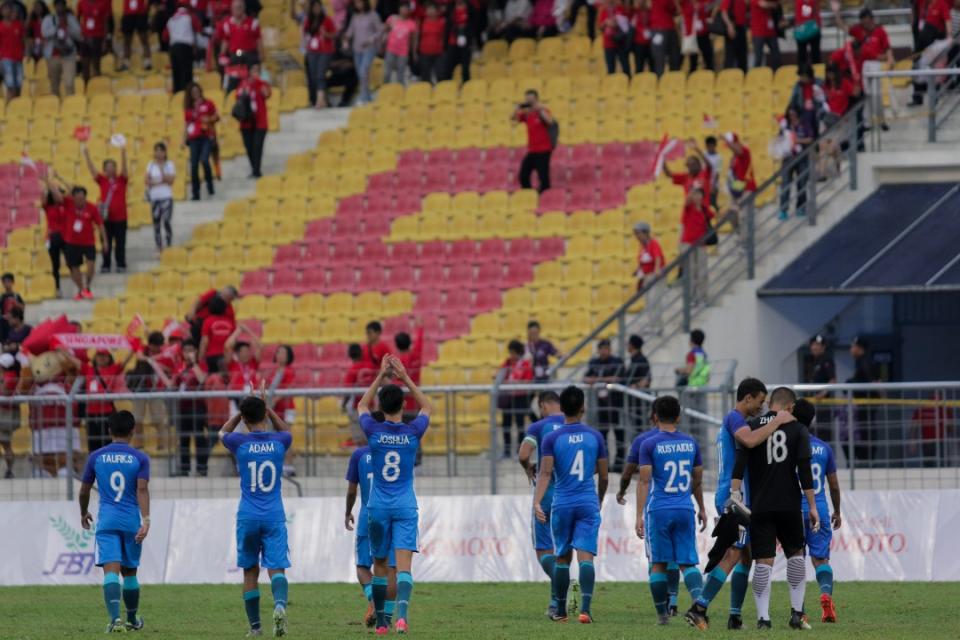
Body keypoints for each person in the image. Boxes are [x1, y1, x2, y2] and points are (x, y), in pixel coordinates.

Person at [683, 377, 796, 630]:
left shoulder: (740, 421)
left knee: (746, 556)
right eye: (760, 401)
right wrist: (777, 420)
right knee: (733, 553)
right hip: (734, 497)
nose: (762, 406)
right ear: (747, 398)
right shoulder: (734, 418)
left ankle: (734, 617)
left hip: (740, 496)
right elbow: (751, 441)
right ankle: (698, 607)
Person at [729, 387, 818, 631]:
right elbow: (805, 472)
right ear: (790, 407)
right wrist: (812, 506)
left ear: (770, 403)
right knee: (796, 556)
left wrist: (734, 497)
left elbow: (738, 467)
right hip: (789, 503)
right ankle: (797, 615)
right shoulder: (798, 429)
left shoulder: (752, 426)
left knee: (763, 562)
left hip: (761, 505)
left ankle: (763, 619)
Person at [356, 354, 433, 635]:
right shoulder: (413, 432)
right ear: (403, 405)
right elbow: (427, 406)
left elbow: (362, 404)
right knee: (403, 567)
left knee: (378, 565)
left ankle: (382, 623)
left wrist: (380, 375)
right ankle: (401, 617)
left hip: (377, 507)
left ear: (381, 406)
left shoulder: (373, 431)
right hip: (404, 506)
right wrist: (404, 377)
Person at [220, 393, 293, 637]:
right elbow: (287, 431)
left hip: (248, 515)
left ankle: (255, 628)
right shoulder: (279, 441)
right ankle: (280, 606)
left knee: (250, 571)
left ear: (244, 419)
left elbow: (222, 432)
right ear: (263, 415)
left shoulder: (239, 442)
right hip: (273, 514)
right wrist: (269, 410)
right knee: (277, 568)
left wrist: (241, 413)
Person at [533, 385, 608, 624]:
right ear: (583, 407)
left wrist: (537, 502)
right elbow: (604, 476)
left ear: (562, 408)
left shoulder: (552, 437)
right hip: (587, 500)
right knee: (586, 557)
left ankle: (562, 611)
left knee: (563, 558)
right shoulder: (595, 436)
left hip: (562, 502)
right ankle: (585, 610)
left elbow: (545, 473)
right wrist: (599, 500)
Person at [635, 395, 706, 625]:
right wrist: (702, 508)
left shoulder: (649, 444)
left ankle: (662, 616)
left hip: (659, 509)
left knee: (659, 564)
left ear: (656, 416)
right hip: (685, 508)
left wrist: (638, 515)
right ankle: (699, 609)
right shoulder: (691, 443)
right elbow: (697, 480)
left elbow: (644, 481)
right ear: (678, 416)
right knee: (688, 563)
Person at [78, 411, 150, 633]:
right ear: (133, 431)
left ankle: (115, 620)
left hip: (107, 521)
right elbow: (142, 489)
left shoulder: (96, 457)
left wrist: (83, 512)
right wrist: (146, 520)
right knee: (130, 573)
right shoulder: (140, 458)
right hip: (130, 522)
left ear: (109, 431)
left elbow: (84, 490)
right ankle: (132, 620)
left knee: (111, 572)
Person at [792, 398, 841, 623]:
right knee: (821, 560)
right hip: (819, 509)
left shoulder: (787, 445)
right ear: (811, 420)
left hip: (793, 509)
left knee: (796, 560)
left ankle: (799, 610)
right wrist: (837, 511)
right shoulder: (824, 448)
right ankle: (825, 596)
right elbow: (833, 484)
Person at [517, 390, 565, 617]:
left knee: (544, 550)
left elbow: (523, 454)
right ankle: (556, 603)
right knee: (564, 552)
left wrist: (528, 468)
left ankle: (564, 588)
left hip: (546, 495)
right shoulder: (574, 424)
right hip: (570, 496)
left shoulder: (539, 427)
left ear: (544, 405)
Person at [345, 438, 399, 628]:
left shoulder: (359, 454)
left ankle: (374, 602)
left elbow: (352, 490)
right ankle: (388, 617)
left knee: (362, 566)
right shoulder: (397, 453)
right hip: (392, 514)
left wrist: (347, 511)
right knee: (392, 567)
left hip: (368, 515)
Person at [833, 4, 894, 131]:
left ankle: (881, 120)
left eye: (866, 21)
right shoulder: (859, 30)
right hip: (863, 66)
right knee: (866, 94)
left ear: (871, 19)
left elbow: (888, 47)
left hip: (876, 64)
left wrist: (890, 60)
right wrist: (837, 12)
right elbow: (843, 27)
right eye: (862, 21)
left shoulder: (880, 31)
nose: (864, 24)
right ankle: (867, 123)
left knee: (877, 94)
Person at [50, 184, 104, 300]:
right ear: (73, 198)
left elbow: (100, 225)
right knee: (74, 267)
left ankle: (88, 285)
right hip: (72, 243)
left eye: (83, 198)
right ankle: (81, 290)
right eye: (78, 198)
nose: (81, 201)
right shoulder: (69, 203)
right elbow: (58, 196)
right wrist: (50, 183)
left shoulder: (92, 208)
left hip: (89, 242)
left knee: (91, 265)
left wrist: (105, 241)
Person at [82, 142, 128, 274]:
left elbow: (125, 169)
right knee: (105, 242)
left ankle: (121, 263)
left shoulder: (121, 180)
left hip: (121, 217)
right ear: (104, 169)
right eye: (107, 167)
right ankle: (106, 264)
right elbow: (92, 170)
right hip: (106, 217)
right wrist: (86, 155)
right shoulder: (102, 181)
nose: (110, 169)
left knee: (120, 242)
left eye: (112, 167)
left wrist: (123, 153)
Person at [583, 338, 624, 469]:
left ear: (610, 350)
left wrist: (597, 380)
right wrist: (604, 380)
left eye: (606, 349)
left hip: (616, 404)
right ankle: (604, 463)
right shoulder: (594, 362)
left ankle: (619, 463)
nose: (604, 351)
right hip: (600, 405)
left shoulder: (617, 362)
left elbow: (620, 378)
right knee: (602, 435)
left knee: (619, 434)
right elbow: (585, 378)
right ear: (598, 350)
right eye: (602, 349)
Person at [174, 339, 211, 476]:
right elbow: (174, 385)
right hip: (182, 407)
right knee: (184, 438)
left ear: (195, 351)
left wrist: (194, 363)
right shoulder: (179, 367)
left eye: (191, 350)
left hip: (198, 407)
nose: (188, 353)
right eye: (185, 350)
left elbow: (202, 380)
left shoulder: (201, 365)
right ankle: (184, 469)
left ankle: (202, 468)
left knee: (199, 437)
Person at [81, 349, 127, 452]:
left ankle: (108, 466)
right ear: (95, 357)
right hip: (91, 413)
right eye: (99, 355)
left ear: (109, 358)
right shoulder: (87, 369)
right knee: (93, 444)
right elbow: (73, 361)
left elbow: (126, 361)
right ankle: (95, 466)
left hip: (107, 412)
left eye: (104, 356)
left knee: (108, 443)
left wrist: (134, 348)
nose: (101, 358)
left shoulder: (113, 369)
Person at [217, 0, 264, 93]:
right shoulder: (227, 24)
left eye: (240, 7)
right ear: (232, 9)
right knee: (233, 83)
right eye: (235, 7)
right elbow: (225, 40)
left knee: (252, 84)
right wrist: (222, 54)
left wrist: (261, 56)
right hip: (235, 57)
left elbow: (258, 40)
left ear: (244, 8)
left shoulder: (253, 23)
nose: (237, 9)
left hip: (250, 56)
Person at [777, 107, 815, 220]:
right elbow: (779, 140)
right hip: (788, 158)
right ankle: (783, 210)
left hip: (802, 157)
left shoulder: (804, 124)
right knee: (785, 185)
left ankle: (801, 207)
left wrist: (797, 141)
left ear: (798, 114)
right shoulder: (785, 126)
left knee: (802, 183)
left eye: (793, 114)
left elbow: (810, 139)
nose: (792, 117)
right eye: (789, 115)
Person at [513, 89, 554, 193]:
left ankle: (545, 198)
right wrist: (517, 109)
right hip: (532, 150)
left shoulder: (543, 111)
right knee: (523, 175)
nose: (529, 103)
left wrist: (540, 110)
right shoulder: (527, 114)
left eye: (531, 100)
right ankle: (529, 195)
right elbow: (514, 119)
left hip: (543, 150)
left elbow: (549, 122)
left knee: (543, 177)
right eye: (527, 100)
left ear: (536, 100)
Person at [342, 0, 382, 104]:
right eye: (356, 3)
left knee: (363, 70)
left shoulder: (372, 15)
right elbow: (350, 31)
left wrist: (370, 39)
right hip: (357, 48)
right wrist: (346, 37)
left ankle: (363, 97)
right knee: (361, 74)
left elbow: (380, 30)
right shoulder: (355, 16)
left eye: (360, 2)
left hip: (369, 47)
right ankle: (368, 96)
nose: (358, 5)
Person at [498, 339, 533, 458]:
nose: (511, 355)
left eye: (513, 352)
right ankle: (507, 450)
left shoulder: (525, 364)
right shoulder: (507, 362)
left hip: (520, 397)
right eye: (510, 352)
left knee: (520, 424)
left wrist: (513, 383)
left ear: (519, 352)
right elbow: (500, 376)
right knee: (506, 424)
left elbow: (528, 380)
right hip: (508, 397)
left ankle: (520, 450)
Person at [184, 82, 219, 199]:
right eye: (193, 92)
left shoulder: (208, 103)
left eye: (197, 91)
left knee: (204, 159)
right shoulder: (189, 108)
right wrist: (184, 138)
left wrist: (208, 119)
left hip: (206, 136)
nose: (196, 94)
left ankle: (209, 183)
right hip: (194, 138)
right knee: (193, 165)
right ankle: (195, 192)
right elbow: (187, 124)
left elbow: (216, 116)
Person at [236, 62, 270, 178]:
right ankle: (254, 168)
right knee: (249, 146)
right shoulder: (243, 84)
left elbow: (267, 94)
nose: (256, 72)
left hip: (260, 121)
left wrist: (258, 82)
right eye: (253, 69)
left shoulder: (262, 84)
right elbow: (238, 97)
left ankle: (256, 171)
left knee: (257, 145)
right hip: (246, 122)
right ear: (249, 71)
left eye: (258, 70)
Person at [41, 0, 81, 96]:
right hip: (53, 55)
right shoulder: (49, 19)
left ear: (64, 6)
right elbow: (44, 33)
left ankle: (70, 105)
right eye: (58, 5)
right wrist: (56, 27)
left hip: (68, 55)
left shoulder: (71, 18)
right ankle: (56, 107)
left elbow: (79, 35)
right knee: (54, 85)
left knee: (69, 83)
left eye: (62, 5)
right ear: (55, 7)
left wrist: (68, 27)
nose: (60, 8)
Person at [679, 187, 712, 304]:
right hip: (689, 243)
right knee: (691, 271)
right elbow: (687, 201)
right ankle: (692, 297)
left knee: (702, 271)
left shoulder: (704, 209)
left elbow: (714, 216)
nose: (697, 196)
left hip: (701, 244)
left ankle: (703, 296)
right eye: (695, 194)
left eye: (699, 194)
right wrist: (691, 190)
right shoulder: (689, 208)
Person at [302, 0, 337, 107]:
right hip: (312, 51)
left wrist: (326, 35)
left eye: (318, 7)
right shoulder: (309, 21)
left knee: (320, 75)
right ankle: (324, 99)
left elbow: (334, 34)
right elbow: (305, 34)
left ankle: (319, 101)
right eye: (315, 7)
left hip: (325, 51)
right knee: (313, 76)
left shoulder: (327, 20)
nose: (317, 9)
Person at [145, 142, 176, 251]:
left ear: (164, 152)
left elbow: (170, 180)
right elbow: (147, 180)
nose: (158, 153)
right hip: (155, 198)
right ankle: (159, 245)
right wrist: (160, 181)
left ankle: (168, 242)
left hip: (166, 197)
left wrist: (162, 171)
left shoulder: (169, 164)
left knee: (166, 220)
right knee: (156, 222)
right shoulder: (150, 164)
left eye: (160, 151)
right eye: (156, 151)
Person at [633, 221, 665, 329]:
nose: (637, 236)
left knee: (654, 301)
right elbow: (642, 260)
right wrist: (637, 270)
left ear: (645, 233)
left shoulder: (653, 243)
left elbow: (657, 257)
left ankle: (658, 327)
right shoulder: (642, 246)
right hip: (646, 276)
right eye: (636, 233)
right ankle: (652, 326)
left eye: (638, 233)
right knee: (648, 302)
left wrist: (656, 269)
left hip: (654, 276)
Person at [41, 171, 68, 297]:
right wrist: (47, 185)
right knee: (55, 264)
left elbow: (69, 191)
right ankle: (57, 288)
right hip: (53, 237)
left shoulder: (65, 205)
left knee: (71, 261)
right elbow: (43, 197)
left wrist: (51, 181)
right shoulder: (48, 207)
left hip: (66, 237)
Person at [165, 0, 200, 93]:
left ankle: (177, 95)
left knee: (176, 74)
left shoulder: (171, 19)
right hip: (185, 48)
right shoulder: (190, 16)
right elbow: (198, 28)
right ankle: (187, 95)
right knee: (186, 75)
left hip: (173, 49)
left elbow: (165, 36)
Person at [805, 334, 836, 435]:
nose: (814, 347)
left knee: (823, 432)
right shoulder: (815, 361)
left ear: (823, 347)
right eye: (813, 344)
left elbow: (833, 380)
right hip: (815, 405)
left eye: (817, 344)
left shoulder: (827, 360)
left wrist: (823, 393)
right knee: (813, 431)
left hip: (824, 404)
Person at [382, 2, 416, 85]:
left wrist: (413, 53)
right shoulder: (392, 19)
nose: (404, 10)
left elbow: (413, 40)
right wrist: (382, 44)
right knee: (387, 72)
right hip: (390, 49)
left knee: (400, 74)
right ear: (399, 9)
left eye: (406, 9)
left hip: (403, 52)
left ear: (409, 11)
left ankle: (400, 92)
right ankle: (385, 90)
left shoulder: (411, 24)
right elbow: (385, 31)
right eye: (402, 8)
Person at [224, 324, 261, 395]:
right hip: (236, 396)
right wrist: (238, 331)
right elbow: (227, 346)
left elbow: (259, 345)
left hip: (253, 395)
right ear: (237, 354)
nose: (246, 354)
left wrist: (248, 331)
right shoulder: (232, 363)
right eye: (243, 351)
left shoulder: (254, 362)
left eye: (247, 351)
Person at [76, 0, 108, 80]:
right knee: (85, 66)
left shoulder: (102, 3)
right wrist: (80, 33)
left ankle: (96, 88)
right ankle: (86, 88)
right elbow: (77, 18)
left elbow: (105, 22)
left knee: (96, 66)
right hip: (85, 37)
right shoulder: (81, 3)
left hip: (97, 37)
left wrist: (105, 40)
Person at [0, 3, 26, 103]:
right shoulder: (0, 26)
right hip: (6, 59)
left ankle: (16, 106)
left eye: (8, 8)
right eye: (4, 9)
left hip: (18, 59)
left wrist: (26, 52)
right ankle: (9, 108)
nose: (7, 11)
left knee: (19, 86)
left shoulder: (18, 25)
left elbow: (23, 40)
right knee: (10, 86)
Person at [597, 0, 629, 75]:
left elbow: (625, 24)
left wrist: (615, 22)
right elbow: (600, 26)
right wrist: (605, 22)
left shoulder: (620, 9)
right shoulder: (604, 11)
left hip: (620, 42)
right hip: (608, 44)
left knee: (625, 67)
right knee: (611, 69)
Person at [416, 2, 445, 84]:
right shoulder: (421, 22)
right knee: (425, 76)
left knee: (440, 74)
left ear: (437, 11)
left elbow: (444, 37)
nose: (430, 11)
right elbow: (417, 37)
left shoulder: (441, 22)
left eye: (432, 9)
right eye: (428, 9)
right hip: (424, 52)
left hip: (438, 53)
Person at [443, 0, 471, 83]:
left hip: (465, 40)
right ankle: (448, 85)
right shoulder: (450, 7)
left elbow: (474, 24)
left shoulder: (470, 8)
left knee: (465, 66)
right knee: (449, 65)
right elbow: (448, 25)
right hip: (452, 40)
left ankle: (466, 84)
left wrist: (465, 28)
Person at [649, 0, 680, 75]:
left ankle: (667, 80)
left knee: (661, 59)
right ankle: (663, 81)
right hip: (664, 29)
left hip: (659, 29)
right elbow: (674, 9)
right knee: (666, 58)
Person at [119, 0, 150, 70]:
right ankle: (126, 63)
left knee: (144, 39)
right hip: (128, 14)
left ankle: (147, 63)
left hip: (141, 13)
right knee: (127, 41)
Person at [718, 0, 747, 71]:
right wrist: (729, 26)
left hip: (741, 27)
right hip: (733, 27)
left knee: (742, 55)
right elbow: (723, 12)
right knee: (730, 56)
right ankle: (727, 76)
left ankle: (743, 75)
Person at [794, 0, 821, 66]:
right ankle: (802, 74)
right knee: (802, 55)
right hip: (801, 29)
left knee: (815, 54)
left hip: (813, 29)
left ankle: (817, 72)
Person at [630, 0, 653, 73]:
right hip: (639, 44)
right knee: (639, 67)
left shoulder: (650, 12)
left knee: (653, 67)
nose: (640, 2)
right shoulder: (634, 12)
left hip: (650, 43)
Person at [703, 136, 721, 210]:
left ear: (715, 146)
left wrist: (713, 186)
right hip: (704, 183)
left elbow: (717, 172)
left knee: (712, 203)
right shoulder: (704, 154)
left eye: (712, 145)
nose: (710, 147)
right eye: (708, 146)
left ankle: (719, 216)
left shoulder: (719, 157)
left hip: (713, 185)